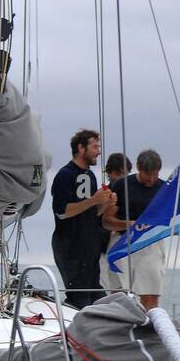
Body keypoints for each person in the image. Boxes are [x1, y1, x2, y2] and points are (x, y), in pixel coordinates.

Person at [51, 129, 114, 309]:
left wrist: (105, 203)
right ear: (81, 148)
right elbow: (62, 211)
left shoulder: (90, 176)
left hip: (89, 248)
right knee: (80, 300)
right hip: (71, 248)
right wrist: (94, 200)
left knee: (99, 301)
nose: (99, 151)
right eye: (95, 146)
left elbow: (92, 213)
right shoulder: (65, 175)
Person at [100, 149, 168, 309]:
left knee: (151, 291)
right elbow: (107, 221)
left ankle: (149, 327)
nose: (151, 179)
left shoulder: (164, 189)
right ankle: (120, 327)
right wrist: (129, 224)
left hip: (151, 242)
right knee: (120, 295)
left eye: (155, 174)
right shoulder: (122, 185)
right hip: (123, 242)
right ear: (138, 167)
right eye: (147, 174)